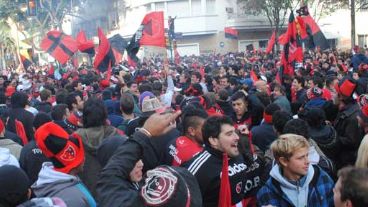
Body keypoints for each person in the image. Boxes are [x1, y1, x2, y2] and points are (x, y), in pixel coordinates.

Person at [97, 110, 203, 207]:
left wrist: (145, 132)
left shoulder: (111, 193)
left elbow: (110, 176)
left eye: (139, 158)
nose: (141, 164)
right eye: (133, 161)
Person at [182, 115, 264, 206]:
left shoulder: (236, 152)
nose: (237, 137)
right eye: (229, 134)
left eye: (235, 132)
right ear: (213, 141)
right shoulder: (197, 169)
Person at [257, 134, 334, 207]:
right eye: (300, 158)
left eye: (307, 155)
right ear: (284, 161)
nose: (307, 161)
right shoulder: (267, 193)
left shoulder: (322, 178)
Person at [32, 122, 96, 207]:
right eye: (80, 156)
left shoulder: (65, 179)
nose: (84, 158)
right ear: (72, 164)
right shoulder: (73, 200)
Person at [75, 97, 124, 197]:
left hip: (87, 193)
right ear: (104, 115)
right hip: (113, 191)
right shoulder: (117, 135)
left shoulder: (75, 139)